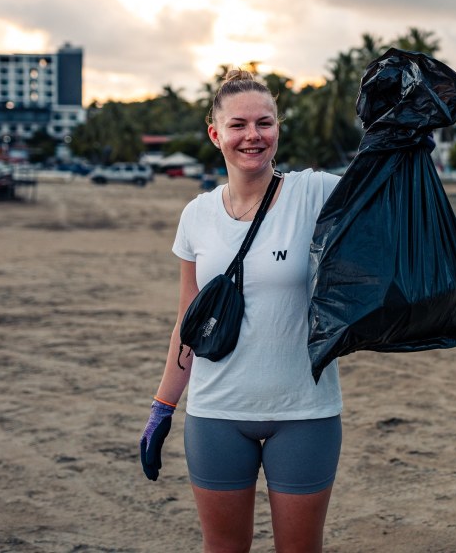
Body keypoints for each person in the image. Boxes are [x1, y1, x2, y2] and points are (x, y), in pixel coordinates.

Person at [139, 70, 343, 553]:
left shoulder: (314, 193)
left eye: (264, 123)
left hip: (305, 411)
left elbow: (386, 187)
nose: (252, 135)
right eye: (238, 125)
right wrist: (162, 407)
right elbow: (188, 319)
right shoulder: (196, 215)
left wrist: (400, 130)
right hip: (216, 414)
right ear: (216, 134)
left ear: (278, 129)